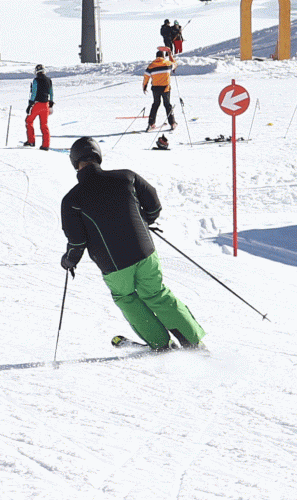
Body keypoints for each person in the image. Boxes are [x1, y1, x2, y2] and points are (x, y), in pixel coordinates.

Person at [59, 136, 204, 353]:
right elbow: (154, 205)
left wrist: (69, 260)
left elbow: (77, 241)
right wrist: (145, 220)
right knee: (157, 294)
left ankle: (161, 345)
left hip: (114, 264)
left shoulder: (72, 200)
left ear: (75, 162)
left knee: (126, 298)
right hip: (145, 252)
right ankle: (193, 342)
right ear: (98, 156)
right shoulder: (126, 177)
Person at [143, 49, 176, 132]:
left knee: (155, 104)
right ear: (163, 56)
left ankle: (151, 124)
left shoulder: (151, 65)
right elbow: (175, 64)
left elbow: (146, 76)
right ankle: (172, 123)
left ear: (156, 57)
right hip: (166, 88)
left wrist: (144, 87)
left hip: (155, 89)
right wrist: (170, 56)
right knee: (167, 105)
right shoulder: (168, 63)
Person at [24, 64, 53, 149]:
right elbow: (51, 93)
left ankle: (31, 141)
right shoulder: (49, 80)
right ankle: (46, 145)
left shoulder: (36, 80)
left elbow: (34, 93)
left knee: (29, 121)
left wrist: (30, 104)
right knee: (44, 125)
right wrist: (51, 103)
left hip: (37, 104)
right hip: (46, 105)